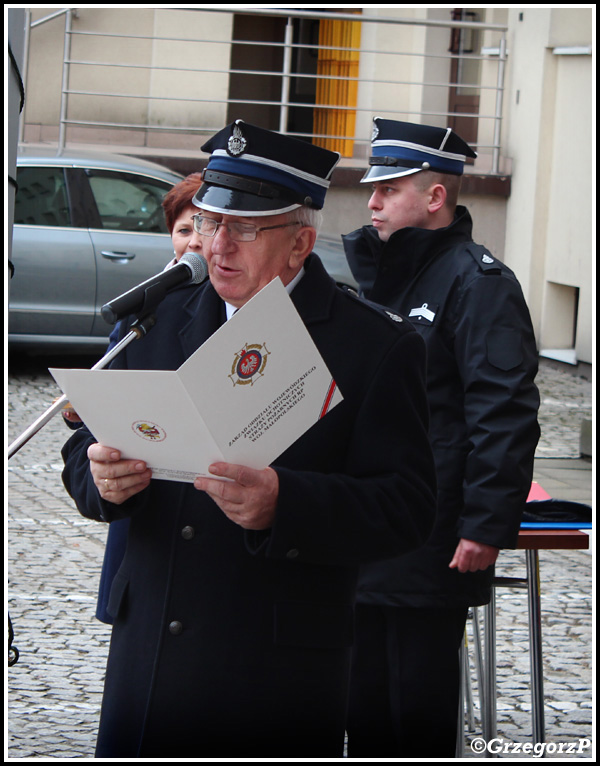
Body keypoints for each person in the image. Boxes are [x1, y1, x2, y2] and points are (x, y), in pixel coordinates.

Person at [60, 120, 437, 758]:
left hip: (273, 667)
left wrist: (285, 503)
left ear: (300, 244)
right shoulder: (160, 315)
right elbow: (86, 444)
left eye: (245, 228)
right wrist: (100, 481)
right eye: (208, 222)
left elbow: (406, 508)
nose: (217, 246)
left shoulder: (373, 345)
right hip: (151, 651)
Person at [343, 117, 541, 758]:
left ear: (435, 197)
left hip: (432, 531)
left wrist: (484, 524)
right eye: (372, 188)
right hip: (369, 520)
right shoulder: (385, 273)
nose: (371, 201)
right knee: (362, 701)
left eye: (389, 188)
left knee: (415, 705)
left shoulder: (477, 282)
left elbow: (503, 410)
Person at [62, 172, 205, 624]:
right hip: (147, 547)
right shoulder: (144, 313)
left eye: (208, 226)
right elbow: (87, 440)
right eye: (184, 229)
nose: (196, 242)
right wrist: (102, 477)